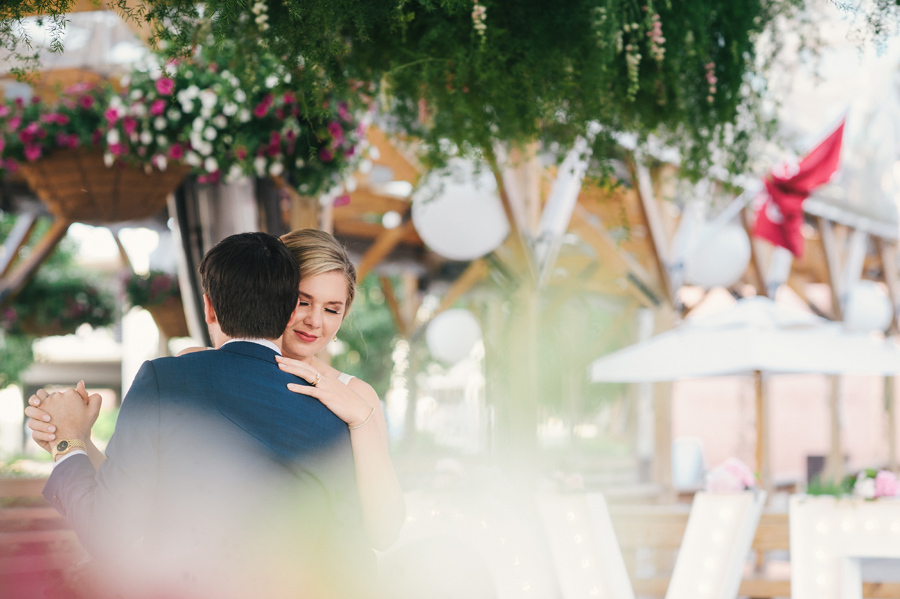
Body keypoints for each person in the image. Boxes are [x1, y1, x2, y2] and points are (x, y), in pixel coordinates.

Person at [26, 232, 372, 599]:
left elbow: (110, 533)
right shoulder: (333, 410)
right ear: (289, 311)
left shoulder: (166, 380)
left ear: (209, 307)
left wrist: (68, 442)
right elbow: (349, 556)